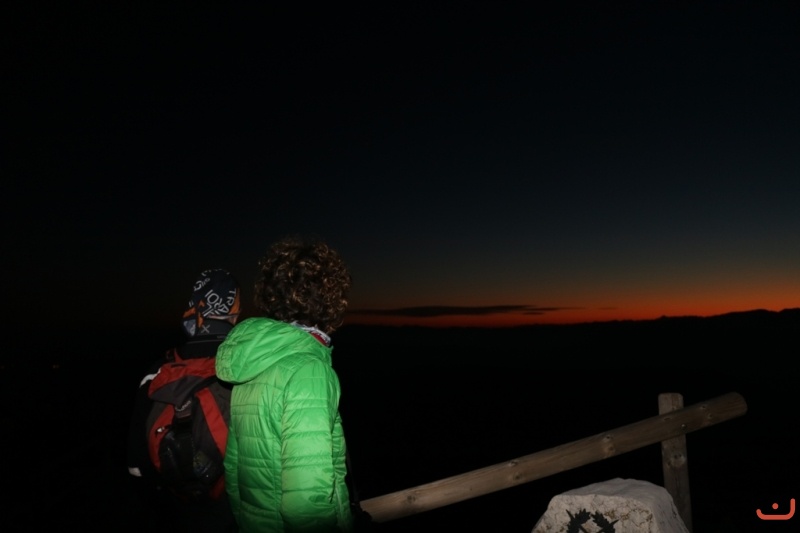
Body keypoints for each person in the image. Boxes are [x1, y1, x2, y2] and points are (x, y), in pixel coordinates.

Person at [215, 235, 355, 532]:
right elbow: (306, 504)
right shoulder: (309, 370)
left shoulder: (252, 366)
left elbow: (234, 468)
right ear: (330, 298)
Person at [127, 268, 241, 533]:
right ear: (235, 313)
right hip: (233, 513)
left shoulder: (157, 373)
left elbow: (136, 466)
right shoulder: (245, 371)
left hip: (178, 511)